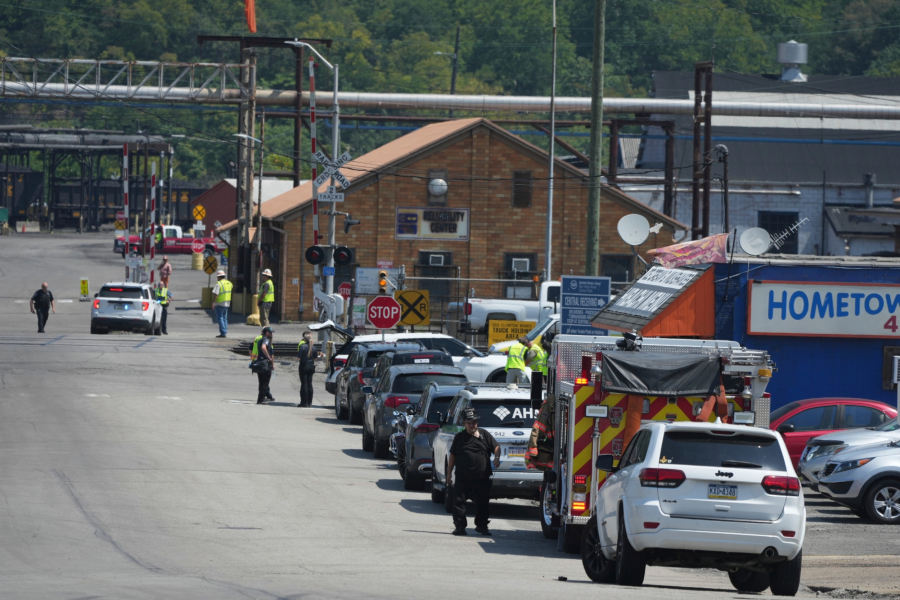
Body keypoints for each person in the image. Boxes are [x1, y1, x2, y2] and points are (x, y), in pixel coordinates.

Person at [448, 408, 500, 536]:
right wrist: (449, 473)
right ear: (464, 424)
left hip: (482, 477)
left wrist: (497, 458)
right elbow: (452, 455)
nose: (472, 425)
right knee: (459, 503)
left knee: (483, 503)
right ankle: (459, 527)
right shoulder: (459, 438)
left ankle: (482, 526)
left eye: (474, 422)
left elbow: (496, 447)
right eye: (469, 423)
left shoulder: (484, 434)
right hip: (462, 477)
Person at [297, 331, 321, 408]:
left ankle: (304, 402)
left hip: (303, 366)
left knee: (304, 384)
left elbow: (298, 358)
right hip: (311, 366)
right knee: (309, 384)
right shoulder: (313, 347)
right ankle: (309, 402)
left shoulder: (302, 347)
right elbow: (315, 359)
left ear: (305, 339)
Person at [251, 326, 275, 404]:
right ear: (267, 333)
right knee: (265, 382)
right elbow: (263, 348)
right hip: (265, 363)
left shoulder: (260, 339)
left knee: (261, 382)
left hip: (260, 362)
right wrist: (269, 357)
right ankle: (261, 399)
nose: (272, 334)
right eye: (271, 333)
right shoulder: (266, 340)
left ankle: (260, 399)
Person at [211, 270, 232, 338]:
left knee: (220, 318)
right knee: (225, 318)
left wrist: (213, 302)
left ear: (219, 277)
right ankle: (224, 331)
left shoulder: (218, 284)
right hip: (227, 303)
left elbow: (216, 294)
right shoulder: (229, 283)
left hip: (219, 303)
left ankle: (223, 333)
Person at [529, 337, 549, 403]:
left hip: (547, 373)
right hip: (544, 373)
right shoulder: (546, 354)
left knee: (546, 389)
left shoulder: (548, 354)